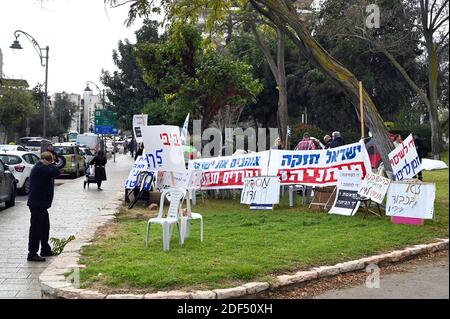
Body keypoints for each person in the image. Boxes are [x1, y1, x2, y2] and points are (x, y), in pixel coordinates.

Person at [27, 152, 61, 262]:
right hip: (37, 204)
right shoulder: (40, 169)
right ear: (46, 160)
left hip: (41, 204)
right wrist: (50, 163)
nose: (52, 164)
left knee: (44, 227)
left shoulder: (43, 167)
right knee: (36, 229)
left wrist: (49, 163)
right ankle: (32, 253)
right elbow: (56, 171)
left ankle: (45, 249)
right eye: (51, 161)